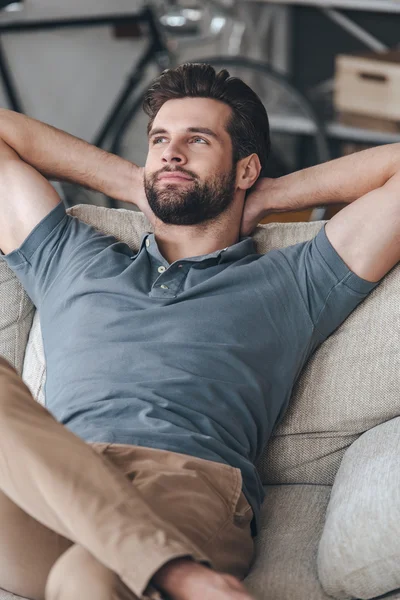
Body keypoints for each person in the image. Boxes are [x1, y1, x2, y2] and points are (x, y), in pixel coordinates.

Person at [0, 62, 398, 600]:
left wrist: (272, 193)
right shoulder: (70, 254)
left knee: (84, 579)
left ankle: (161, 567)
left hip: (185, 482)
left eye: (198, 140)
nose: (170, 152)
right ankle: (177, 576)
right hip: (61, 479)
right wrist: (130, 181)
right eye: (159, 140)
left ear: (244, 169)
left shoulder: (296, 278)